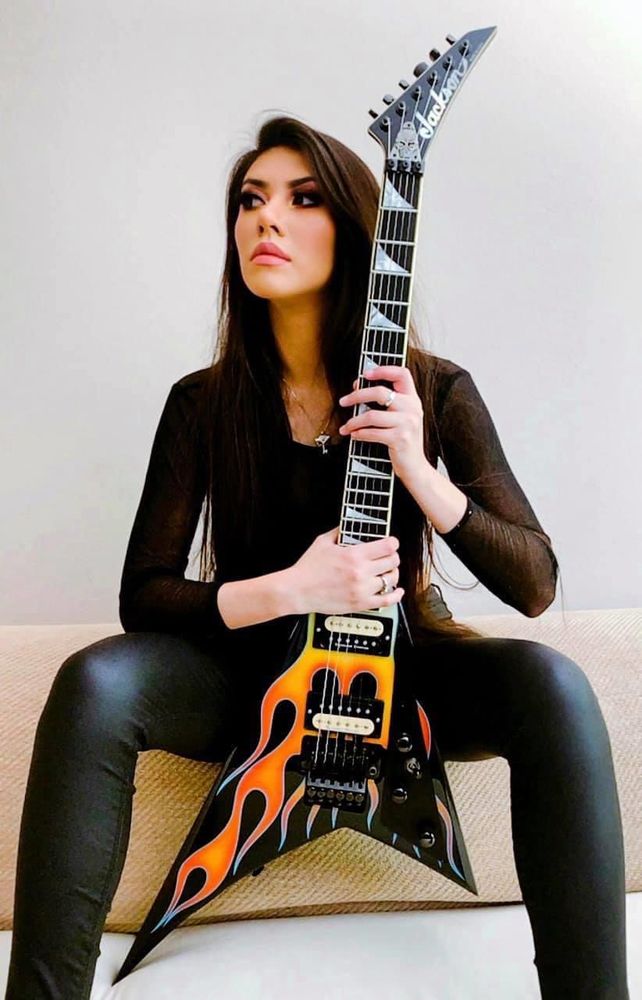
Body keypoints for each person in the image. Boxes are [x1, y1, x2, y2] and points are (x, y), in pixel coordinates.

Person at [5, 116, 629, 1000]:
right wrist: (291, 588)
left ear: (354, 229)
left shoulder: (432, 388)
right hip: (250, 678)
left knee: (553, 685)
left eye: (303, 200)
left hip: (402, 676)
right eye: (250, 200)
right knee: (94, 680)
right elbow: (143, 596)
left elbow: (535, 584)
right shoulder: (202, 404)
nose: (268, 218)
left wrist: (417, 466)